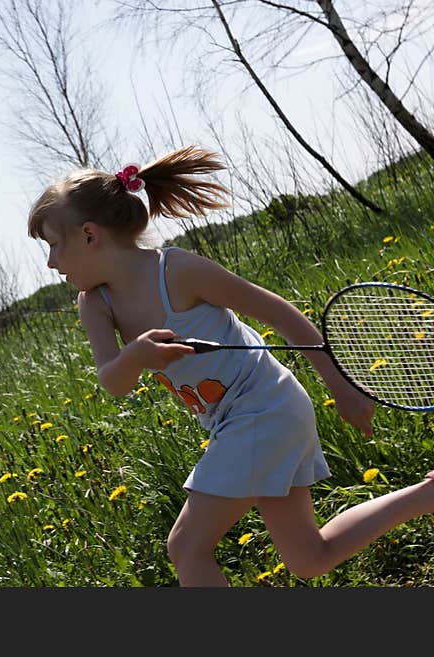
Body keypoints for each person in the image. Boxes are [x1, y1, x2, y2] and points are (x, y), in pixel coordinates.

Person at [27, 145, 434, 586]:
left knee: (186, 547)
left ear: (90, 235)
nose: (51, 263)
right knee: (309, 557)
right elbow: (113, 381)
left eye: (53, 246)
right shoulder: (95, 304)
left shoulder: (176, 271)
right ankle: (428, 495)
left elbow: (279, 313)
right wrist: (135, 357)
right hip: (238, 423)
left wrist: (341, 387)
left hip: (265, 409)